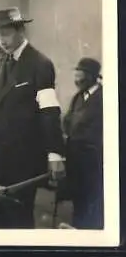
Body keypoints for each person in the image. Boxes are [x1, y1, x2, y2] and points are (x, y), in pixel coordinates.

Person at [0, 7, 66, 228]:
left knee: (18, 221)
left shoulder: (40, 64)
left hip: (22, 161)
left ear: (20, 30)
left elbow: (49, 111)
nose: (1, 41)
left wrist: (55, 154)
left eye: (5, 34)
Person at [63, 58, 103, 229]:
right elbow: (68, 121)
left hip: (93, 161)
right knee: (78, 199)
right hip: (76, 160)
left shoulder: (104, 97)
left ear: (93, 76)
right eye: (76, 76)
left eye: (82, 77)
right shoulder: (78, 97)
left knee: (92, 200)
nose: (77, 81)